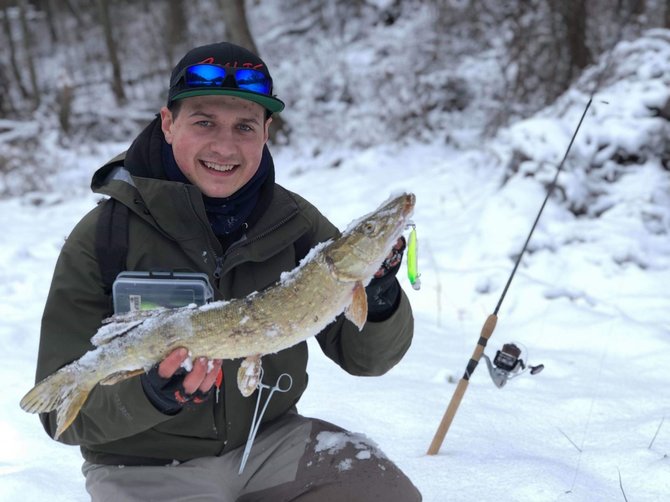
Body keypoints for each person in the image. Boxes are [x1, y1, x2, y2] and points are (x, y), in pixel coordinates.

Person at [34, 41, 421, 501]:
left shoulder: (296, 222)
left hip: (269, 441)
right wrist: (152, 396)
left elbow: (368, 360)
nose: (225, 145)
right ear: (168, 123)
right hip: (143, 463)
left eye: (244, 126)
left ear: (267, 131)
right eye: (204, 122)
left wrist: (379, 299)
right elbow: (62, 418)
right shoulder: (105, 235)